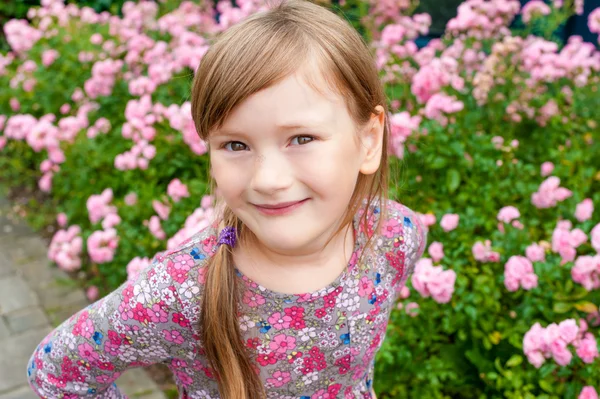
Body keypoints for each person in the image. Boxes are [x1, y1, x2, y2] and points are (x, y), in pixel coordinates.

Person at [26, 0, 427, 398]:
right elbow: (57, 372)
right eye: (235, 144)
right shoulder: (179, 290)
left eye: (301, 139)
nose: (268, 180)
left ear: (369, 140)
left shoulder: (395, 235)